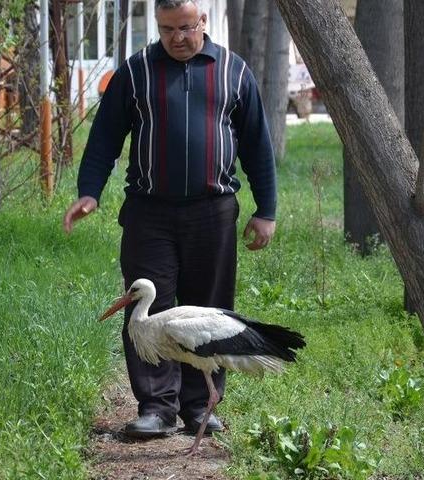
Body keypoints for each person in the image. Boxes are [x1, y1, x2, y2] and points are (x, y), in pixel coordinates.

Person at [63, 0, 276, 439]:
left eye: (185, 27)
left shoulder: (234, 71)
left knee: (207, 311)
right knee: (146, 309)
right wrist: (89, 191)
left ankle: (200, 407)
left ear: (203, 22)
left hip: (213, 211)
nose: (176, 37)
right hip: (149, 212)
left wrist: (266, 210)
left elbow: (257, 144)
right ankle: (157, 408)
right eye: (166, 29)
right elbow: (104, 136)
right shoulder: (136, 71)